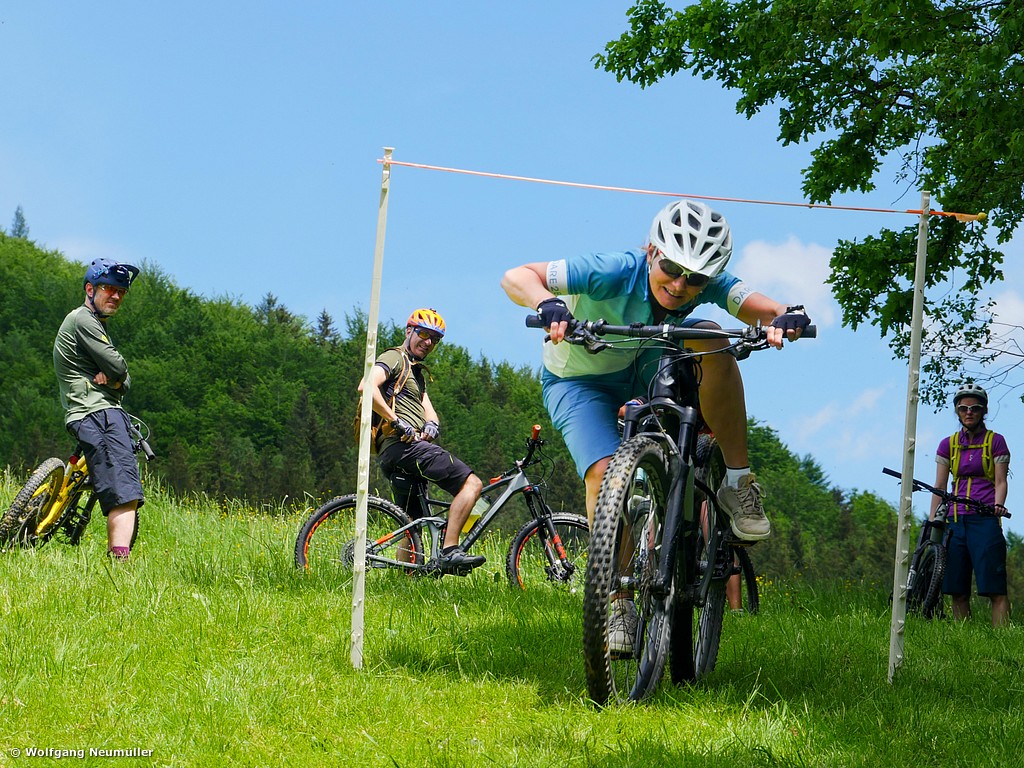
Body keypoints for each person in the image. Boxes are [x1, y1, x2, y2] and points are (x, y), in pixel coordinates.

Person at [502, 200, 809, 650]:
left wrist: (784, 314)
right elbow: (517, 275)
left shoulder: (702, 281)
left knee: (711, 337)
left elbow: (750, 303)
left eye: (696, 278)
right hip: (580, 380)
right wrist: (547, 303)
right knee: (605, 475)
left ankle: (737, 482)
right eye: (671, 268)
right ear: (652, 252)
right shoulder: (611, 270)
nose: (680, 285)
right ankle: (619, 602)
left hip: (646, 359)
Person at [358, 308, 486, 575]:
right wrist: (395, 420)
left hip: (395, 452)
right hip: (403, 446)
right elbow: (367, 386)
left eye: (434, 339)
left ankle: (405, 580)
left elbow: (430, 412)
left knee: (411, 523)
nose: (428, 342)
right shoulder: (395, 357)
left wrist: (431, 425)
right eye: (424, 334)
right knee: (472, 484)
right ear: (409, 331)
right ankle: (450, 550)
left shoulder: (415, 373)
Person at [53, 259, 144, 560]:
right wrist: (116, 377)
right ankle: (119, 562)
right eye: (108, 289)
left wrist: (117, 379)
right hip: (99, 412)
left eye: (121, 292)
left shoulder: (92, 324)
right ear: (90, 289)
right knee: (124, 490)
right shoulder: (84, 320)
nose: (116, 296)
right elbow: (119, 368)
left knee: (113, 481)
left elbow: (123, 379)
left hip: (87, 412)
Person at [930, 383, 1011, 627]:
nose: (969, 412)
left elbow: (1001, 481)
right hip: (955, 520)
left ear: (983, 411)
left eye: (975, 408)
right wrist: (934, 520)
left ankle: (1002, 639)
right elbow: (940, 486)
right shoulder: (948, 444)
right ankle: (963, 639)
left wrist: (998, 505)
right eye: (963, 408)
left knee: (995, 587)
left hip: (984, 519)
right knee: (957, 589)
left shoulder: (995, 441)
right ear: (957, 411)